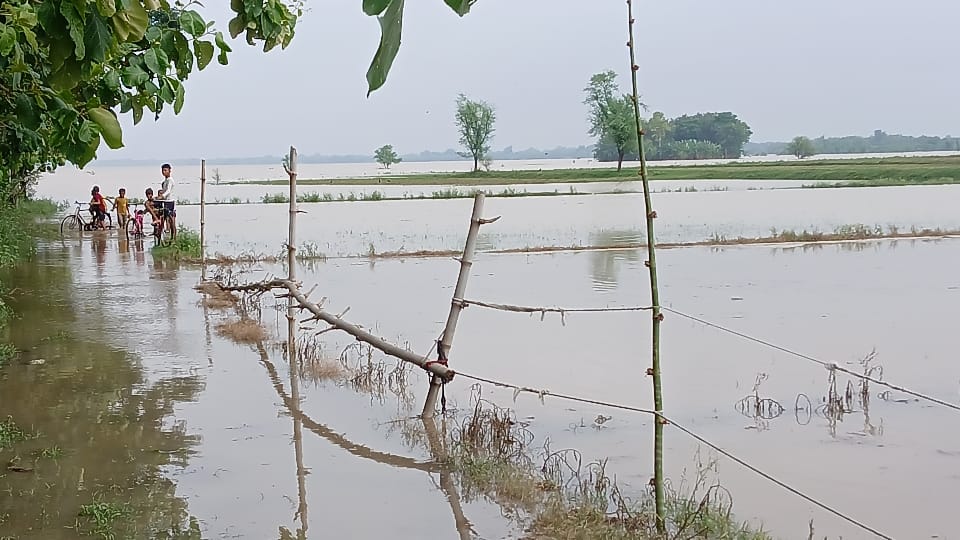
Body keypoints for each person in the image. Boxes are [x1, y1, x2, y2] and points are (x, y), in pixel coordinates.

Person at [156, 163, 177, 236]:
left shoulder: (170, 180)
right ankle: (161, 234)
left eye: (165, 170)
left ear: (169, 171)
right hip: (166, 201)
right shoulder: (165, 181)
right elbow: (164, 190)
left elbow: (168, 191)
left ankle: (173, 236)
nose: (164, 172)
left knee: (171, 220)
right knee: (164, 218)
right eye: (163, 170)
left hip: (170, 201)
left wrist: (162, 196)